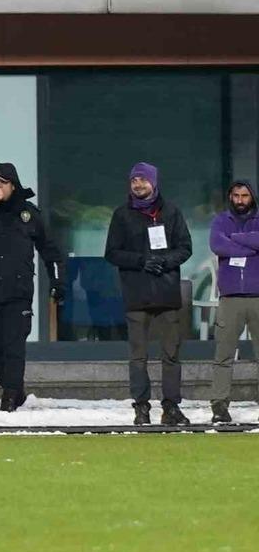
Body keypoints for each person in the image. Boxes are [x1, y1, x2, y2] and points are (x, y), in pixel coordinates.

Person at [0, 163, 65, 412]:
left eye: (3, 183)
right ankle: (16, 389)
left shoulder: (29, 214)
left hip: (18, 293)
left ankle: (8, 399)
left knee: (13, 347)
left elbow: (51, 252)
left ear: (13, 186)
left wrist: (58, 282)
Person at [104, 162, 192, 426]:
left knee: (171, 354)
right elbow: (112, 253)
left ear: (154, 182)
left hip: (167, 292)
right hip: (137, 293)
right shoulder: (122, 215)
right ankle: (141, 407)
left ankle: (171, 407)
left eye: (143, 180)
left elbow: (185, 247)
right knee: (138, 356)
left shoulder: (171, 212)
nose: (138, 185)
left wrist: (165, 261)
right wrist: (141, 261)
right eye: (134, 181)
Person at [207, 180, 259, 424]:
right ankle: (219, 405)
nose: (240, 200)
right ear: (230, 196)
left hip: (258, 297)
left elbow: (229, 244)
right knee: (224, 356)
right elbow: (217, 244)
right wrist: (251, 246)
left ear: (252, 197)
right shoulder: (220, 221)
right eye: (236, 195)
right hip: (230, 298)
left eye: (244, 195)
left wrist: (235, 239)